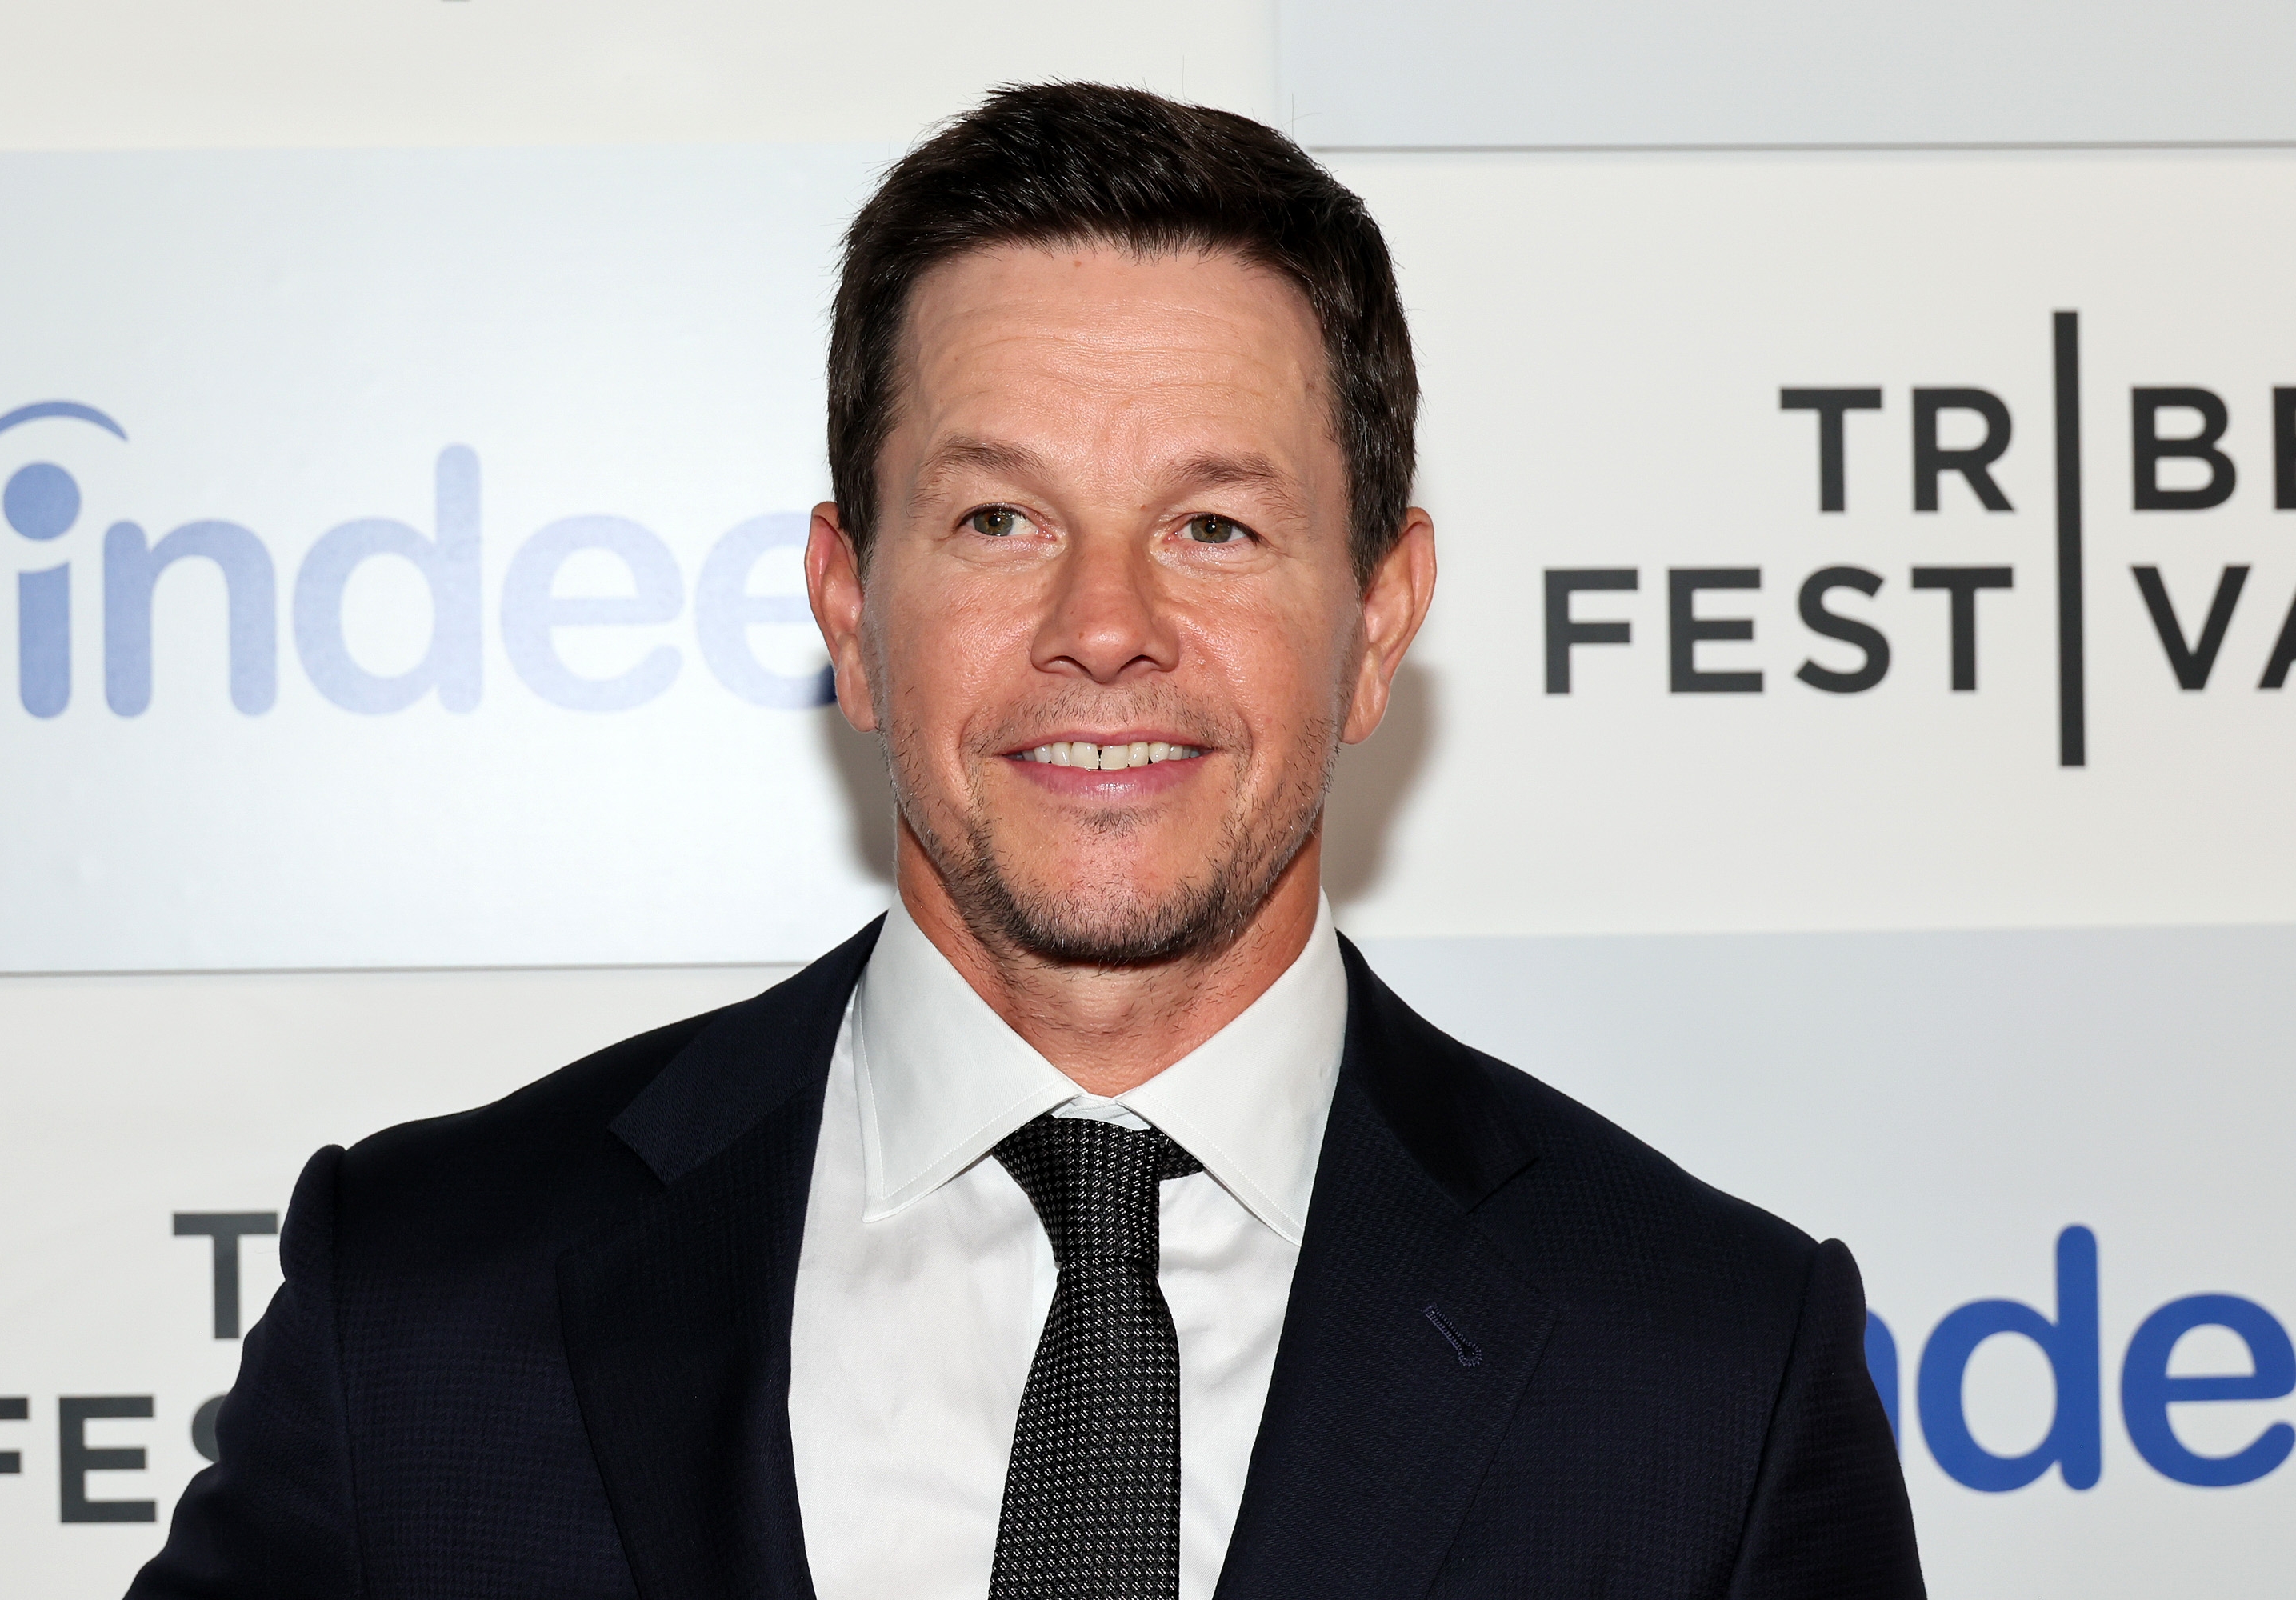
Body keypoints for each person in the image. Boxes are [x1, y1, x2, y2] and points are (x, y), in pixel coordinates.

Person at [128, 82, 1923, 1600]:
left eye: (1214, 527)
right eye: (1000, 518)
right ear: (850, 608)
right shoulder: (423, 1304)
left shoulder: (1709, 1376)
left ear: (1379, 620)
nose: (1105, 626)